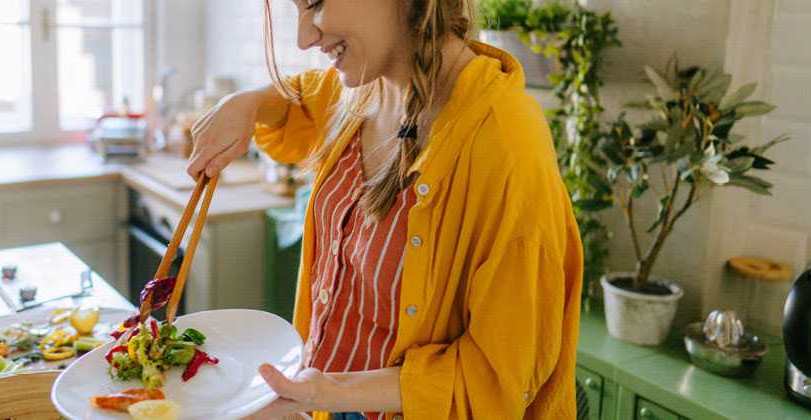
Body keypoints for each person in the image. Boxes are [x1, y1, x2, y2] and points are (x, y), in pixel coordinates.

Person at [187, 0, 583, 418]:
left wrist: (329, 392)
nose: (304, 37)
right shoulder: (361, 92)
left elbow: (497, 378)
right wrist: (247, 103)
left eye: (316, 4)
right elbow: (297, 101)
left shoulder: (507, 143)